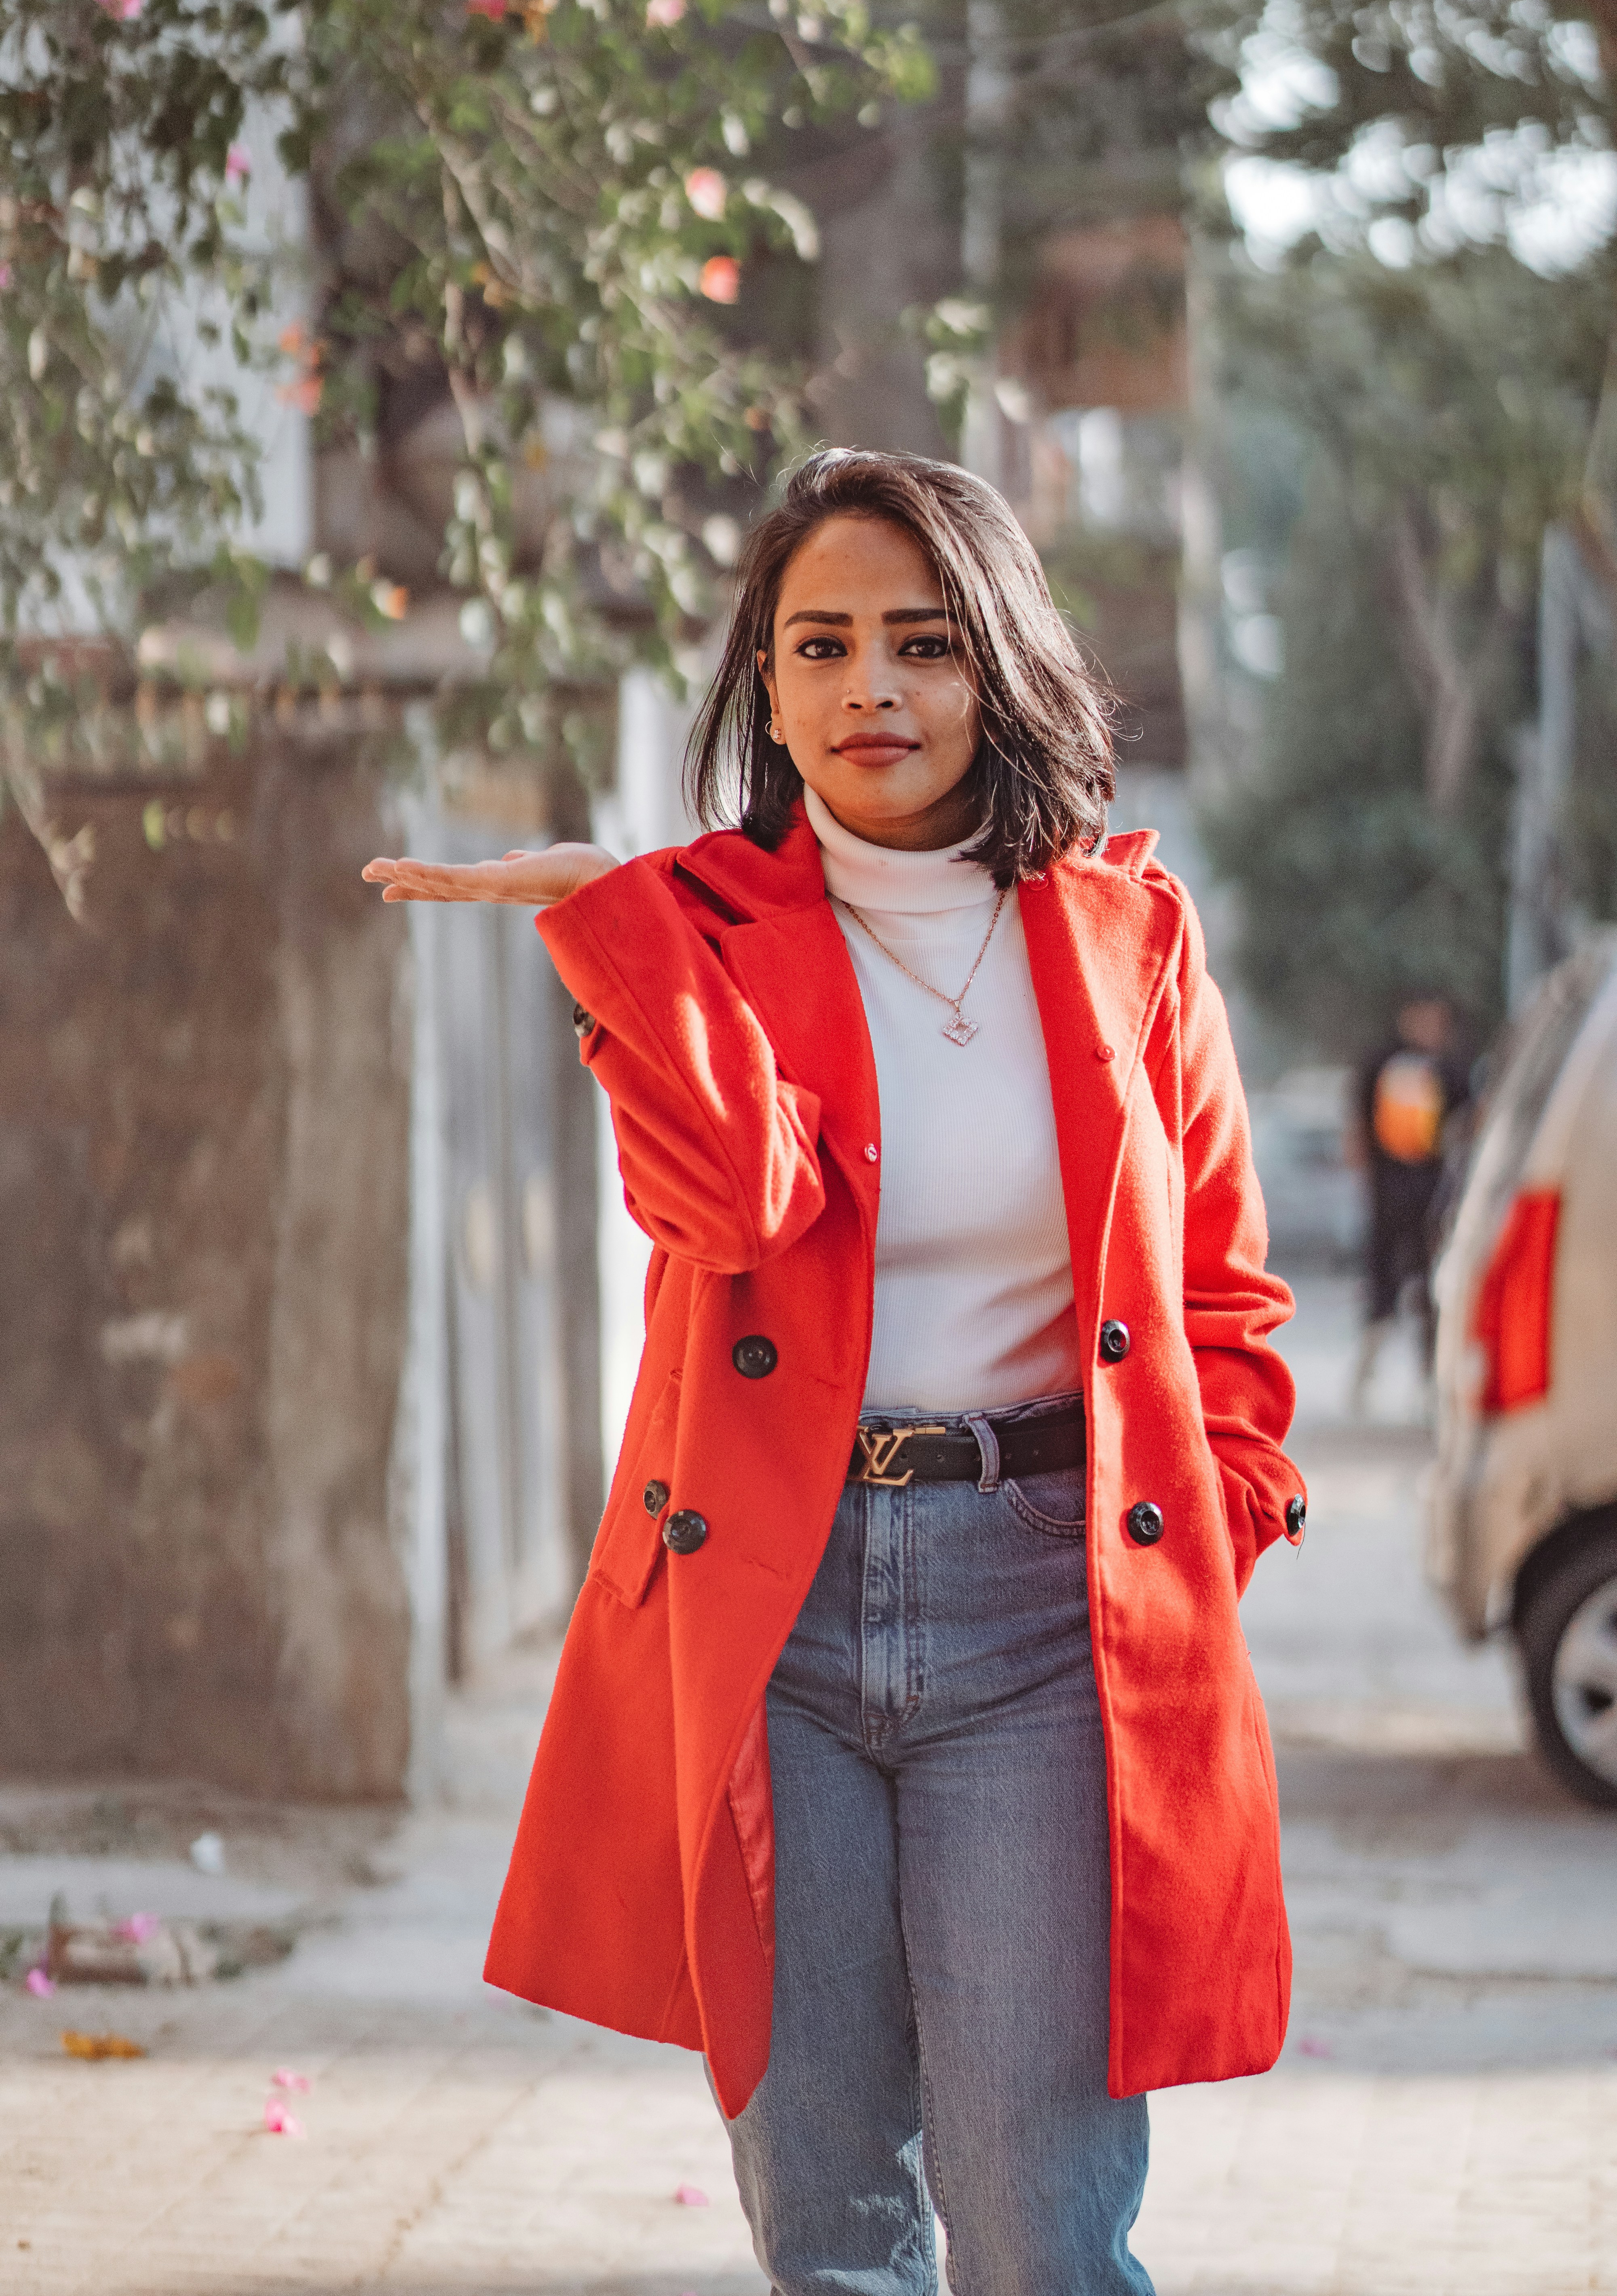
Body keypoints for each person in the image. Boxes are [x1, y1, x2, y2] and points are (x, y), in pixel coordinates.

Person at [363, 449, 1307, 2296]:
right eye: (821, 644)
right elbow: (733, 1204)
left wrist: (1213, 1531)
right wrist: (624, 931)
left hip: (1042, 1614)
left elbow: (1221, 1295)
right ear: (767, 685)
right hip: (770, 1614)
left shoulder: (1128, 930)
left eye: (921, 641)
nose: (870, 685)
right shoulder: (700, 926)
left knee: (1037, 2217)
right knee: (829, 2225)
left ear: (996, 664)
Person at [1348, 994, 1471, 1410]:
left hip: (1431, 1199)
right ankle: (1365, 1376)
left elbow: (1469, 1121)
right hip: (1387, 1196)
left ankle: (1428, 1383)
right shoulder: (1381, 1062)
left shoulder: (1450, 1069)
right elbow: (1359, 1125)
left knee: (1428, 1290)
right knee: (1381, 1287)